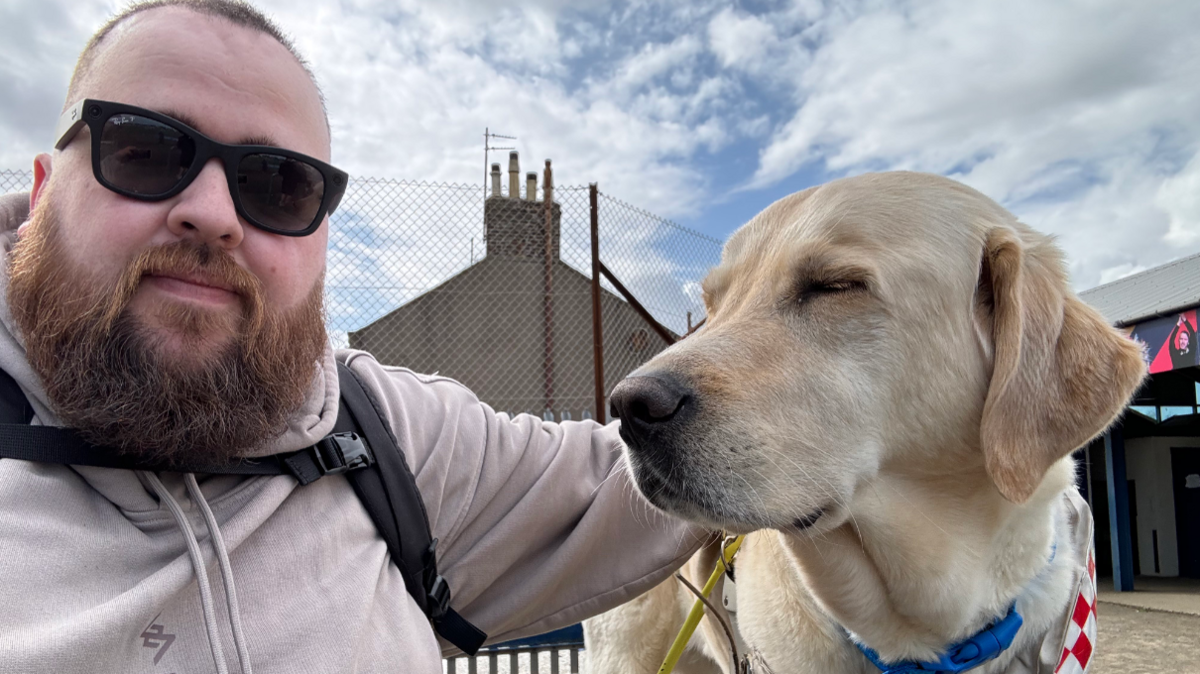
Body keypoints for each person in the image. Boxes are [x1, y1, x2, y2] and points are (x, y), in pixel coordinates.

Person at [0, 1, 706, 672]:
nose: (213, 213)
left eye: (279, 185)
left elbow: (637, 470)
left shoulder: (388, 435)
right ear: (41, 191)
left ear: (322, 237)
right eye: (145, 151)